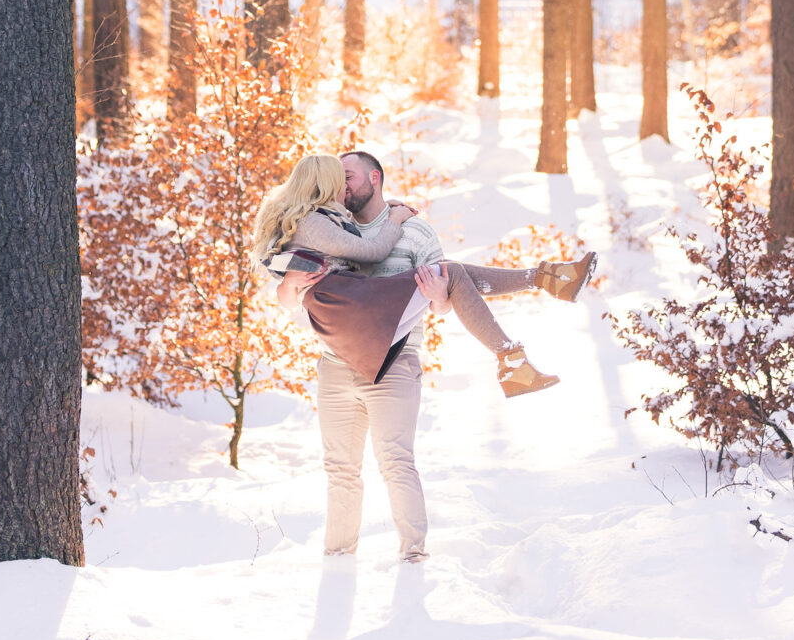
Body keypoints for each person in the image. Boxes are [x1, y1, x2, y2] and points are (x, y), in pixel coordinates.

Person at [254, 150, 596, 563]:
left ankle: (412, 557)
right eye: (337, 179)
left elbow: (447, 300)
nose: (344, 187)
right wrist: (288, 287)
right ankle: (532, 308)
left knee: (396, 460)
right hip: (342, 352)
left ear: (374, 178)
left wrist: (438, 300)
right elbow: (316, 281)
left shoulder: (409, 230)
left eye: (350, 178)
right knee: (341, 468)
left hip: (392, 352)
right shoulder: (325, 222)